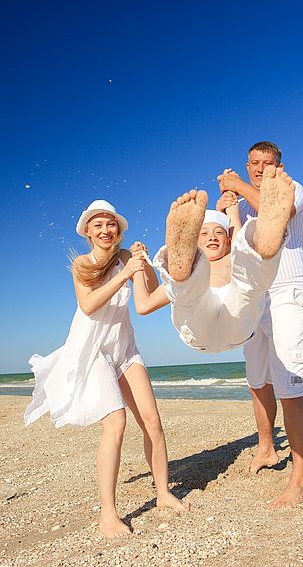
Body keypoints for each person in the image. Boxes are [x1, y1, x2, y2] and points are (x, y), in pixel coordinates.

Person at [24, 199, 188, 539]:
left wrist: (148, 267)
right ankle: (109, 513)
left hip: (124, 349)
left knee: (153, 421)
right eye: (98, 225)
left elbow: (146, 303)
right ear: (88, 231)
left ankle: (162, 493)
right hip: (92, 351)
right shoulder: (82, 264)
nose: (105, 230)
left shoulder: (127, 258)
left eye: (110, 224)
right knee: (116, 422)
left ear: (119, 229)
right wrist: (124, 275)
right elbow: (87, 305)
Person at [218, 141, 303, 510]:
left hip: (289, 291)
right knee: (257, 380)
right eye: (254, 163)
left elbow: (275, 213)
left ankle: (299, 480)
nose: (260, 169)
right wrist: (229, 210)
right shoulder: (243, 201)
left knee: (289, 385)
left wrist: (236, 185)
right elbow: (234, 248)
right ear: (249, 163)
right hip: (255, 296)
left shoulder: (294, 188)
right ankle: (266, 448)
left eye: (267, 163)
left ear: (279, 164)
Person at [131, 166, 295, 355]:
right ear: (194, 241)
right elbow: (144, 305)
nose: (212, 237)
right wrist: (138, 267)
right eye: (204, 233)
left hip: (236, 320)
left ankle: (264, 242)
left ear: (227, 241)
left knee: (248, 279)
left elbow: (236, 230)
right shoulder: (194, 271)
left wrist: (231, 201)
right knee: (185, 292)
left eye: (219, 233)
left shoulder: (232, 256)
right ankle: (182, 265)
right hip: (199, 326)